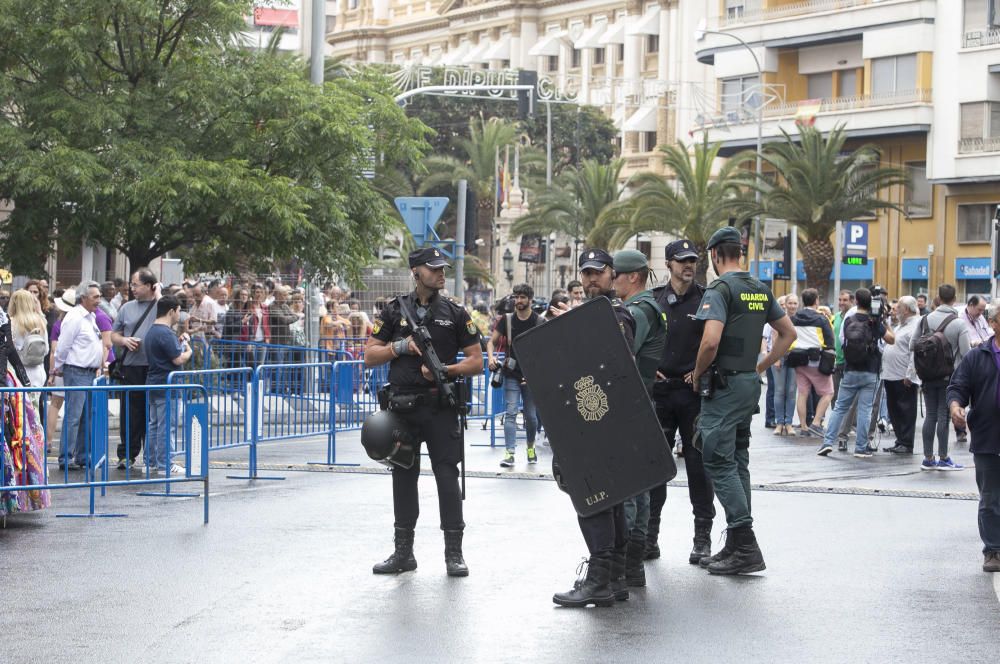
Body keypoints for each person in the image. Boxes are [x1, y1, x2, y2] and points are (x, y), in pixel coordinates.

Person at [365, 248, 482, 578]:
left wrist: (446, 370)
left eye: (443, 268)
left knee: (447, 477)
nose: (441, 273)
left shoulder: (456, 313)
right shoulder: (392, 311)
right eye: (433, 269)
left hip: (439, 406)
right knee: (403, 477)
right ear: (416, 271)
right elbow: (369, 356)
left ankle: (454, 553)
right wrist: (400, 346)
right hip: (402, 407)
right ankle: (403, 552)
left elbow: (476, 361)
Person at [692, 227, 794, 576]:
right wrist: (760, 366)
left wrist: (696, 373)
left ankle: (745, 542)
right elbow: (788, 333)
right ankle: (736, 543)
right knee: (737, 458)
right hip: (748, 384)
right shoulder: (759, 289)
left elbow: (709, 342)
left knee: (717, 459)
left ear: (716, 255)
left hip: (723, 388)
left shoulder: (721, 289)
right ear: (740, 252)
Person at [550, 248, 636, 607]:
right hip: (590, 418)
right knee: (608, 499)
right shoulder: (589, 314)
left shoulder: (614, 315)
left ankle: (601, 579)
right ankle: (612, 577)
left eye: (597, 273)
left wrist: (572, 327)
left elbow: (612, 364)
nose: (590, 280)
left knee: (593, 496)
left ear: (612, 274)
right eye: (585, 273)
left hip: (602, 419)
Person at [649, 240, 717, 564]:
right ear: (669, 264)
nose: (688, 266)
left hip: (693, 396)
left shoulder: (707, 300)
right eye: (681, 260)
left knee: (699, 469)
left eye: (692, 260)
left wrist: (701, 372)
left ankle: (702, 538)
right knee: (656, 469)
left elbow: (717, 342)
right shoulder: (654, 300)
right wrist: (650, 371)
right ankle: (649, 536)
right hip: (660, 394)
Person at [612, 249, 666, 589]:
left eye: (616, 274)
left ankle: (624, 563)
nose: (612, 279)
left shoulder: (639, 310)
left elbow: (622, 354)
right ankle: (633, 565)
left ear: (633, 277)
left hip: (633, 403)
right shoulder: (651, 307)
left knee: (630, 489)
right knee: (642, 488)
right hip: (644, 401)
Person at [947, 304, 1000, 573]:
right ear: (994, 323)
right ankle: (993, 550)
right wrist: (956, 406)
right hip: (988, 436)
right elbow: (958, 386)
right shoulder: (978, 356)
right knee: (990, 497)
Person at [817, 288, 895, 458]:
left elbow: (842, 341)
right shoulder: (874, 322)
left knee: (840, 408)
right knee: (865, 409)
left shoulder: (848, 320)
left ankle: (827, 442)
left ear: (856, 301)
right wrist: (884, 321)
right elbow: (891, 339)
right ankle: (861, 447)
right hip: (870, 371)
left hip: (850, 369)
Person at [910, 284, 970, 470]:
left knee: (931, 415)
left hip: (927, 376)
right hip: (949, 377)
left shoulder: (925, 319)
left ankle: (928, 458)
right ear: (955, 298)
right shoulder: (959, 323)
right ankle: (943, 457)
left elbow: (912, 345)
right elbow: (967, 354)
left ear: (938, 297)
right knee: (943, 415)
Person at [486, 283, 541, 468]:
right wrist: (492, 358)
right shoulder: (507, 320)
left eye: (522, 297)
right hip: (511, 374)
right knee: (510, 413)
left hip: (532, 377)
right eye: (516, 297)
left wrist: (536, 374)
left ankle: (531, 447)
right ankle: (509, 452)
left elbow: (546, 351)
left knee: (531, 417)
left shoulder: (539, 321)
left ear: (530, 300)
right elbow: (490, 343)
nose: (518, 301)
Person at [111, 268, 160, 469]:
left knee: (153, 413)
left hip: (153, 367)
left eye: (136, 285)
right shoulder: (126, 308)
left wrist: (159, 294)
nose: (132, 288)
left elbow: (175, 318)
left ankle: (153, 456)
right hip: (131, 367)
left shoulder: (161, 306)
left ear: (149, 286)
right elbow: (114, 334)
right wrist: (124, 340)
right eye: (131, 285)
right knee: (130, 412)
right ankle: (126, 455)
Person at [52, 284, 104, 470]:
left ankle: (82, 456)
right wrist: (58, 366)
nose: (99, 300)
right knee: (74, 416)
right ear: (83, 298)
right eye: (95, 297)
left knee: (86, 415)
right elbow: (63, 346)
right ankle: (66, 458)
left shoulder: (90, 316)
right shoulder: (75, 317)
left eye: (99, 296)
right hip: (77, 370)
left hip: (88, 372)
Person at [144, 296, 193, 476]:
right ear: (171, 311)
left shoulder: (152, 331)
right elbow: (177, 358)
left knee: (154, 425)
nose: (179, 315)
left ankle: (150, 462)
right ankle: (165, 464)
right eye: (179, 311)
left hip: (154, 383)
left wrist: (178, 343)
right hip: (167, 385)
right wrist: (188, 350)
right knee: (167, 426)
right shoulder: (165, 333)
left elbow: (166, 353)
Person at [789, 288, 835, 437]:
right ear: (816, 301)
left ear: (803, 301)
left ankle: (803, 427)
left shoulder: (794, 318)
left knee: (802, 393)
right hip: (816, 360)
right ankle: (816, 423)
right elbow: (830, 341)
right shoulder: (822, 319)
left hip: (798, 360)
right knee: (828, 393)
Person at [881, 296, 921, 454]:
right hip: (891, 374)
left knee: (906, 410)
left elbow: (914, 353)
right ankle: (900, 440)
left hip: (904, 376)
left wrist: (910, 374)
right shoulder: (900, 326)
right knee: (894, 410)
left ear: (906, 310)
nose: (894, 310)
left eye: (898, 308)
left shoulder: (916, 326)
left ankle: (907, 442)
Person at [771, 294, 798, 436]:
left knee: (792, 391)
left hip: (795, 358)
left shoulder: (800, 319)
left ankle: (789, 423)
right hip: (780, 356)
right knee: (779, 391)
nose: (792, 306)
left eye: (795, 303)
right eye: (790, 303)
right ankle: (779, 423)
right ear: (785, 304)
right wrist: (776, 358)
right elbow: (775, 337)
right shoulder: (780, 318)